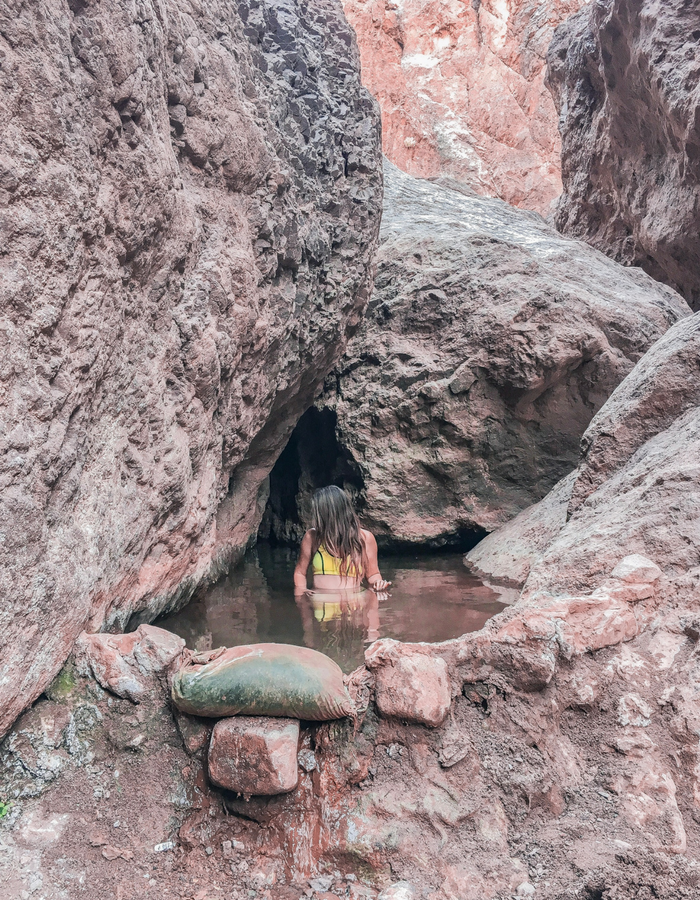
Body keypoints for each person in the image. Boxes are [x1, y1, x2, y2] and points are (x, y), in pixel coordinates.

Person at [293, 485, 391, 595]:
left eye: (318, 513)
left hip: (354, 604)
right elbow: (300, 573)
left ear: (328, 515)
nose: (315, 518)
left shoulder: (366, 538)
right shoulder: (312, 537)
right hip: (320, 604)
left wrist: (378, 583)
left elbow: (373, 574)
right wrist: (302, 594)